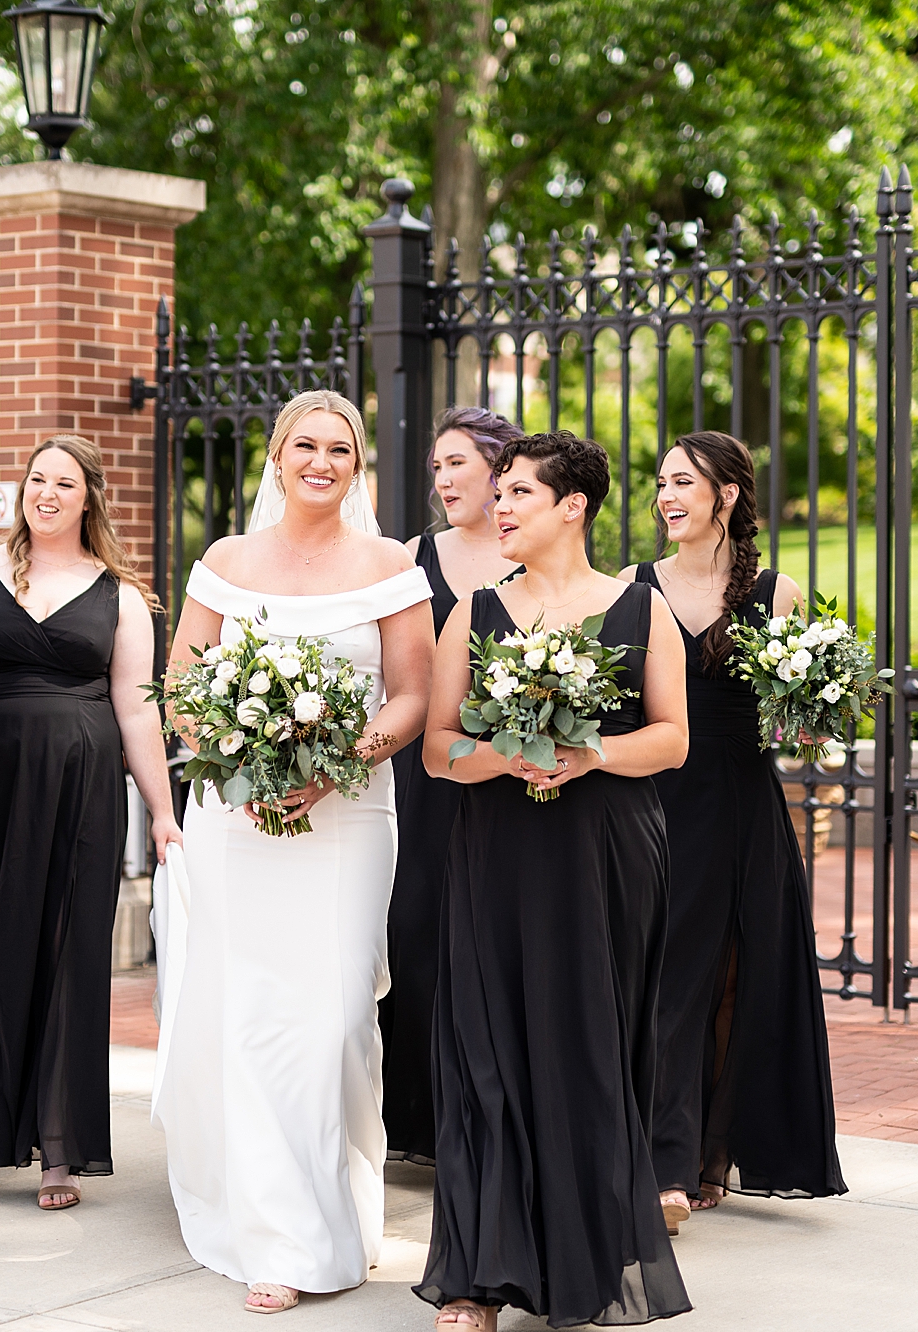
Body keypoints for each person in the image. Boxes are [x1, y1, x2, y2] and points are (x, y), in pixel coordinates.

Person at [153, 390, 435, 1315]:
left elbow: (411, 695)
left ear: (358, 467)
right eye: (305, 445)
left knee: (335, 1017)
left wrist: (334, 764)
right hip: (235, 821)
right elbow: (182, 686)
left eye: (340, 449)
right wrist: (240, 757)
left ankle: (335, 1209)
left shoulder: (391, 567)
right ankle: (276, 1236)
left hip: (348, 819)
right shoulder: (227, 563)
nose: (322, 462)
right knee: (249, 1015)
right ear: (277, 457)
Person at [418, 431, 693, 1331]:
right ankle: (477, 1278)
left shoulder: (642, 610)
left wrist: (588, 753)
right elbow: (437, 750)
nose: (497, 507)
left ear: (573, 506)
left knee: (587, 1052)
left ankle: (580, 1266)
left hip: (607, 855)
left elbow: (672, 740)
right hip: (498, 856)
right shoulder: (473, 613)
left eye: (518, 494)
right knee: (487, 1052)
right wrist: (508, 757)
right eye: (497, 493)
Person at [0, 435, 182, 1209]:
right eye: (38, 479)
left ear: (89, 497)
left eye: (65, 483)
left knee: (70, 954)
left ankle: (59, 1149)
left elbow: (138, 709)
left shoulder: (120, 595)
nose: (47, 493)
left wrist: (163, 812)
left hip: (80, 791)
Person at [621, 430, 846, 1223]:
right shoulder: (634, 586)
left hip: (742, 805)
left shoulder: (779, 594)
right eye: (661, 483)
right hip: (656, 801)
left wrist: (813, 710)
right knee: (663, 979)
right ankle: (661, 1158)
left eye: (682, 482)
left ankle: (703, 1155)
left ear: (727, 494)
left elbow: (801, 727)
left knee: (731, 983)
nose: (666, 497)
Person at [383, 406, 524, 1166]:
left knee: (494, 941)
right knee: (415, 931)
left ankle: (487, 1125)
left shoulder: (533, 553)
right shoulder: (414, 557)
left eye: (456, 463)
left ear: (500, 470)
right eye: (435, 467)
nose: (440, 480)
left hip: (511, 775)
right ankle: (414, 1123)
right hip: (423, 774)